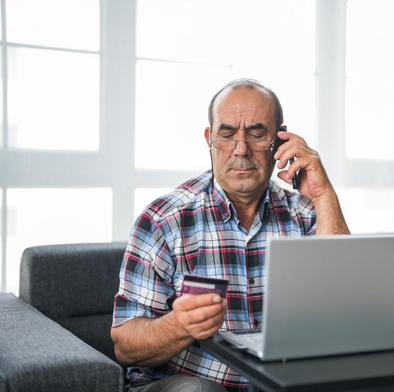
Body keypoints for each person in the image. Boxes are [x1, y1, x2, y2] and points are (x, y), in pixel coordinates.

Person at [111, 79, 349, 392]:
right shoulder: (163, 221)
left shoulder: (305, 214)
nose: (241, 149)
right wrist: (180, 325)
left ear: (279, 141)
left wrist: (323, 195)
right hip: (184, 383)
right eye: (227, 134)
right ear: (209, 138)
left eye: (256, 133)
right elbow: (125, 346)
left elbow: (346, 309)